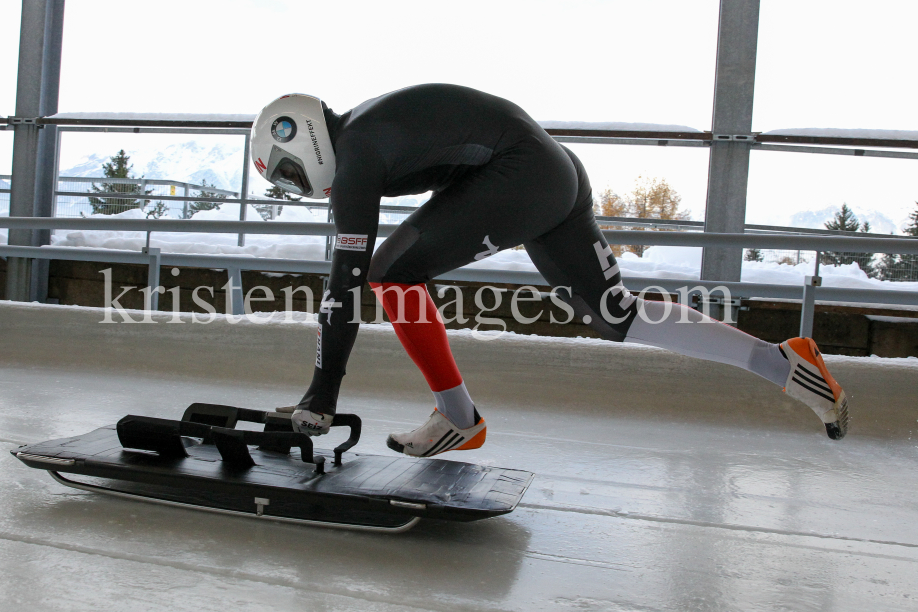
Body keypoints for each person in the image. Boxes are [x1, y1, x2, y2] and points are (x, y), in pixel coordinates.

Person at [250, 84, 849, 456]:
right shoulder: (366, 131)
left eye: (289, 173)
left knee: (390, 276)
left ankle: (459, 417)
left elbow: (344, 286)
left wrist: (321, 395)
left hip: (524, 174)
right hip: (551, 170)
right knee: (620, 316)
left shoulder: (354, 154)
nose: (297, 188)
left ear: (300, 138)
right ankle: (783, 361)